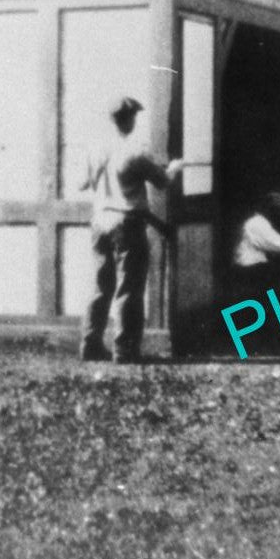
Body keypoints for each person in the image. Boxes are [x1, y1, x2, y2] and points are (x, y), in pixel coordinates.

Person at [80, 96, 185, 363]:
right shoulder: (136, 152)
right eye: (134, 118)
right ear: (129, 120)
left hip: (99, 221)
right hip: (126, 224)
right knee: (129, 287)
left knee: (100, 286)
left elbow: (84, 183)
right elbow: (162, 182)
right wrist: (175, 167)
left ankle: (90, 344)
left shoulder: (97, 148)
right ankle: (124, 349)